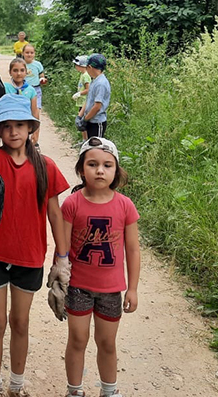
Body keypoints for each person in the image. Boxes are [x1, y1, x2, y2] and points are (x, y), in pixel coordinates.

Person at [0, 94, 71, 397]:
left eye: (20, 125)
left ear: (30, 128)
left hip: (29, 256)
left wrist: (63, 258)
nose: (13, 131)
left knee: (20, 322)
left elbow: (54, 213)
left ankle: (16, 386)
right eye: (7, 126)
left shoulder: (45, 166)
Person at [61, 137, 140, 397]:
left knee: (107, 342)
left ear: (116, 170)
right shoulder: (72, 204)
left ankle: (109, 391)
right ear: (81, 169)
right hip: (78, 287)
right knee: (77, 340)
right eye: (92, 164)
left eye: (107, 165)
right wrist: (59, 282)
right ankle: (75, 391)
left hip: (110, 290)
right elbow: (62, 247)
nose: (99, 170)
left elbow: (132, 250)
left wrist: (133, 289)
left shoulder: (125, 205)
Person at [3, 58, 39, 138]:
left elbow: (35, 112)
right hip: (8, 126)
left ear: (26, 72)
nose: (19, 73)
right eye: (15, 70)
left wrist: (36, 133)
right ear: (10, 72)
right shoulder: (5, 88)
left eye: (22, 70)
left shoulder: (31, 90)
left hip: (24, 126)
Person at [78, 54, 110, 138]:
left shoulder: (101, 84)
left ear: (90, 67)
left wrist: (85, 119)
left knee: (95, 148)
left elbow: (97, 107)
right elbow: (88, 100)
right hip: (90, 120)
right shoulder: (94, 81)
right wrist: (80, 116)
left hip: (97, 122)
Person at [22, 44, 46, 145]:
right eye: (27, 52)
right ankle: (24, 138)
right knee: (24, 115)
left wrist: (42, 79)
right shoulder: (21, 64)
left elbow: (41, 74)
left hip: (36, 90)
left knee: (36, 114)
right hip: (23, 91)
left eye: (31, 52)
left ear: (34, 54)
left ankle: (35, 140)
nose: (29, 54)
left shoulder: (38, 64)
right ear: (23, 53)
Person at [71, 56, 91, 141]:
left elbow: (88, 89)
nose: (76, 67)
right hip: (81, 102)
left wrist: (79, 93)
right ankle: (84, 139)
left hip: (84, 102)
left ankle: (85, 140)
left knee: (82, 122)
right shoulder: (82, 75)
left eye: (77, 65)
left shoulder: (86, 76)